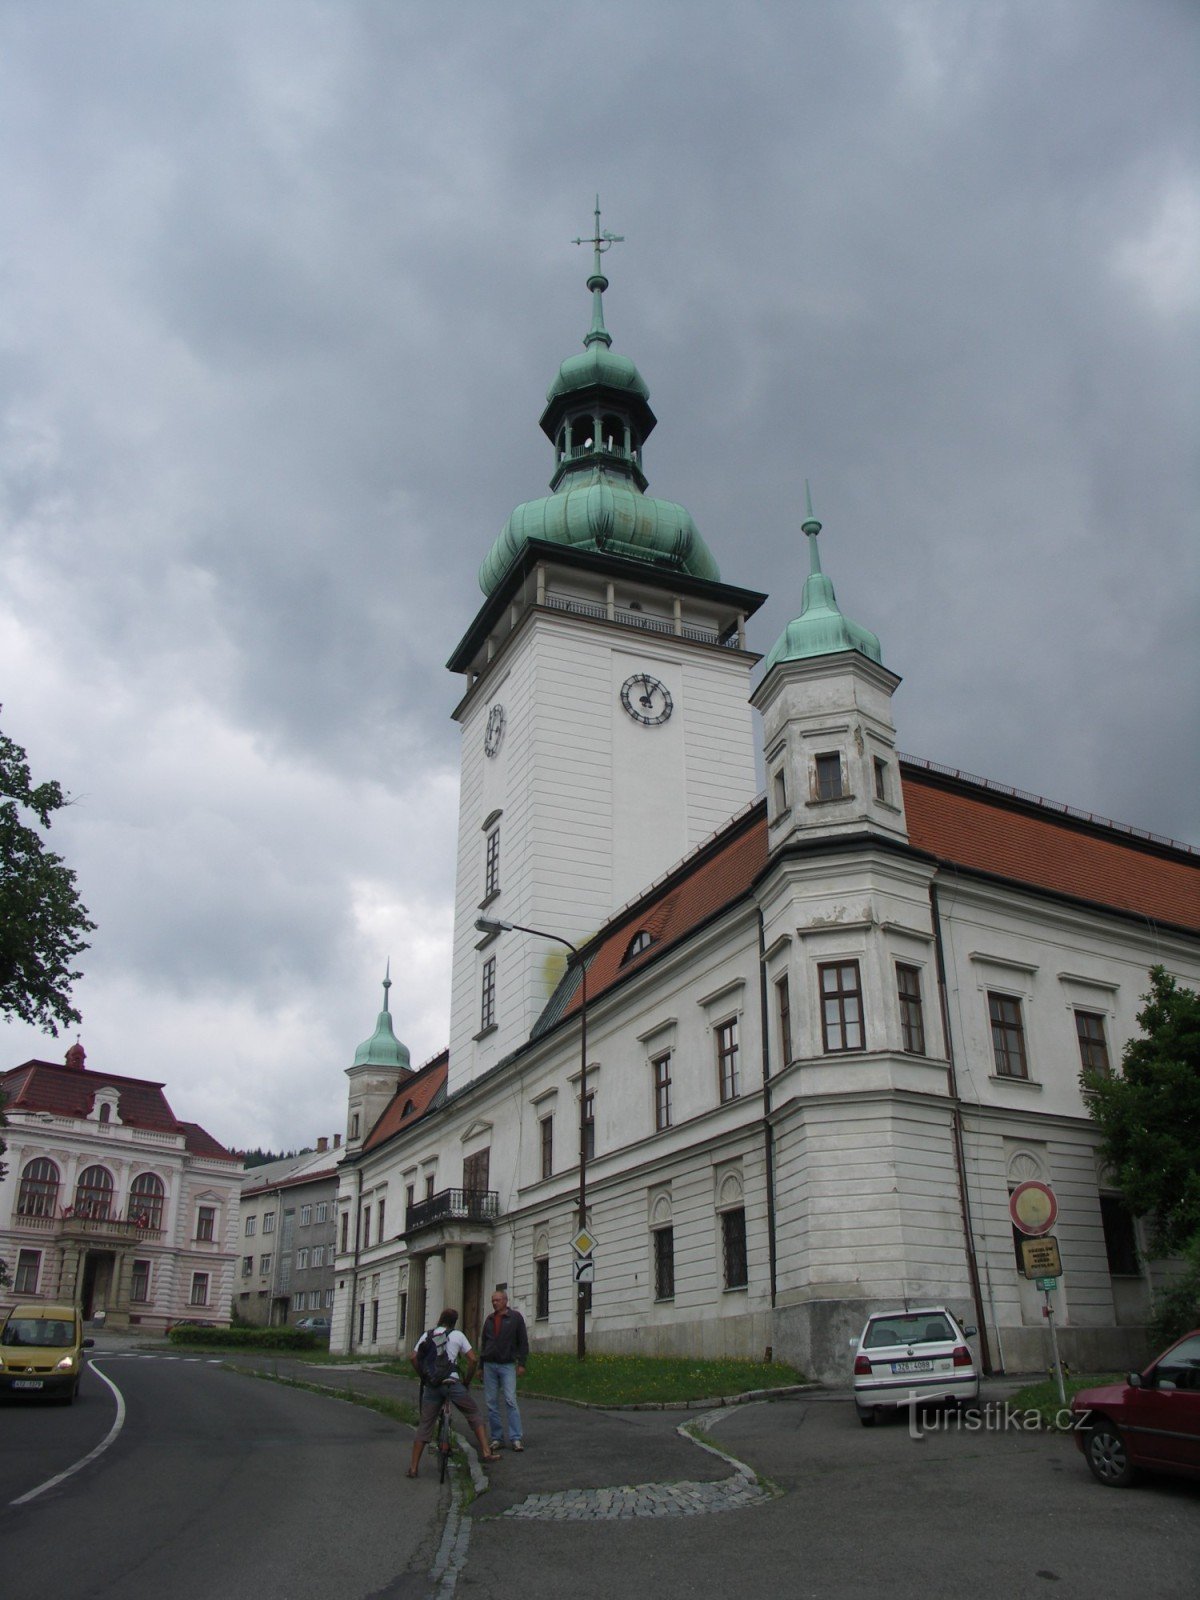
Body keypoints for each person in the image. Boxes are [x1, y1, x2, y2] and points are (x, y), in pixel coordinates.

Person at [407, 1307, 499, 1477]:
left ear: (440, 1319)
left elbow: (413, 1356)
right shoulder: (457, 1335)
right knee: (473, 1413)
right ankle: (486, 1451)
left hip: (433, 1384)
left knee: (425, 1424)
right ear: (454, 1322)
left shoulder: (427, 1335)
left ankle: (413, 1468)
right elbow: (472, 1359)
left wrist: (423, 1376)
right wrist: (466, 1381)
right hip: (451, 1382)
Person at [479, 1288, 529, 1452]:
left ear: (506, 1301)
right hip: (490, 1364)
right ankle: (497, 1437)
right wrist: (481, 1366)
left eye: (498, 1300)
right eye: (493, 1300)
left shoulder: (515, 1318)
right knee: (491, 1402)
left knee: (510, 1399)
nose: (495, 1303)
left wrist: (522, 1363)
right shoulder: (490, 1320)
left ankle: (516, 1437)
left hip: (507, 1364)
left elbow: (523, 1341)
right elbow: (484, 1344)